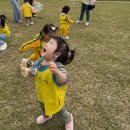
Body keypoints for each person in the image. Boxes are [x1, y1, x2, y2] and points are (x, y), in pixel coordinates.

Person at [20, 36, 75, 130]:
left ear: (56, 54)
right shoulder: (41, 60)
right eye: (48, 42)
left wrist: (57, 72)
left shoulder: (57, 66)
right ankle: (47, 116)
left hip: (54, 98)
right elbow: (36, 70)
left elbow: (64, 80)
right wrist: (29, 71)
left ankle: (68, 119)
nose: (47, 44)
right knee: (43, 107)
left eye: (51, 43)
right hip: (42, 94)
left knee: (59, 111)